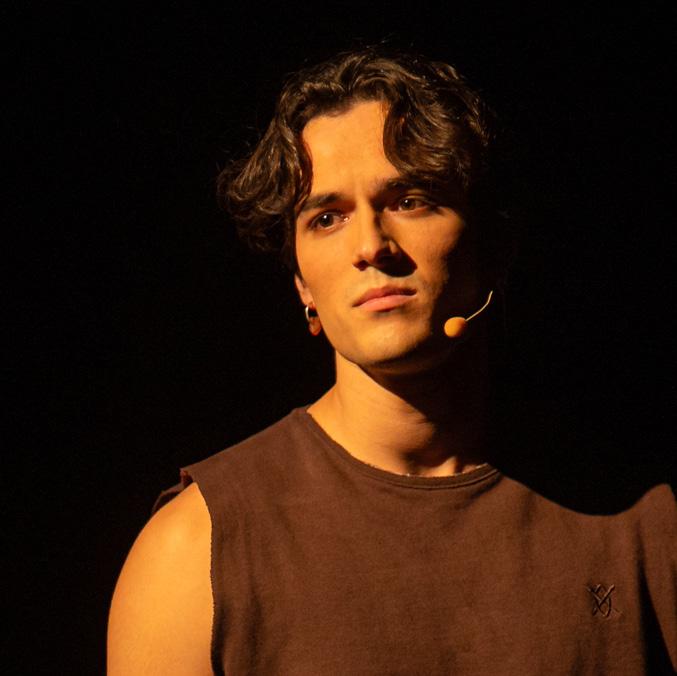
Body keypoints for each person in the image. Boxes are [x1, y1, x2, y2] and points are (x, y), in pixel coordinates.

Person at [107, 48, 676, 675]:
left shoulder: (647, 519)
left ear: (493, 244)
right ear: (301, 283)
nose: (370, 246)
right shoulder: (198, 549)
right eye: (327, 218)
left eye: (409, 200)